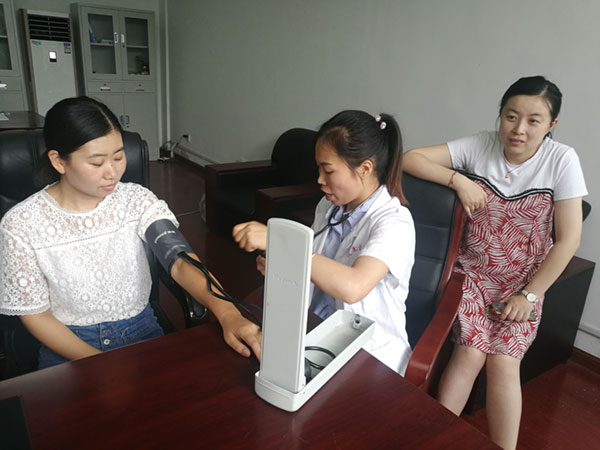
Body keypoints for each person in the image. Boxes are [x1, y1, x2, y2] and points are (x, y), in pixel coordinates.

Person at [0, 96, 261, 369]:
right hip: (67, 344)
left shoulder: (136, 200)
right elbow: (37, 316)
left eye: (119, 156)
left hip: (141, 332)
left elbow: (180, 260)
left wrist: (228, 313)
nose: (112, 172)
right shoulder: (21, 224)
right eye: (97, 163)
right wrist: (99, 364)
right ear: (59, 161)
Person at [403, 76, 587, 450]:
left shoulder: (561, 160)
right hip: (471, 274)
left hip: (525, 283)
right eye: (511, 116)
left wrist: (530, 295)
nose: (519, 129)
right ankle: (433, 440)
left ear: (551, 124)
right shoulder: (480, 145)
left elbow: (569, 239)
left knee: (504, 362)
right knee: (470, 354)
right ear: (500, 114)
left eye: (534, 120)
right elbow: (410, 159)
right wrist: (458, 180)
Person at [233, 110, 415, 375]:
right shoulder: (328, 207)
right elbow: (316, 268)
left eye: (328, 170)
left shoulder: (395, 222)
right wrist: (282, 264)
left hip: (369, 352)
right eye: (319, 168)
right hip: (314, 327)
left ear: (365, 168)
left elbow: (353, 286)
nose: (319, 179)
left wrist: (282, 245)